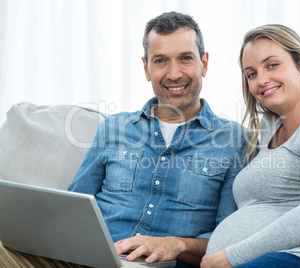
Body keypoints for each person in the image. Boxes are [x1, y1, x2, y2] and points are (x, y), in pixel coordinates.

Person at [0, 12, 247, 268]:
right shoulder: (113, 128)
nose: (174, 74)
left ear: (204, 63)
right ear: (146, 68)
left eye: (185, 58)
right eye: (160, 61)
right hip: (82, 259)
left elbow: (228, 242)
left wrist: (177, 244)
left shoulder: (234, 141)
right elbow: (73, 208)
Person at [200, 24, 300, 268]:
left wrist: (229, 256)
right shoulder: (266, 131)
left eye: (272, 65)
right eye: (251, 74)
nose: (261, 80)